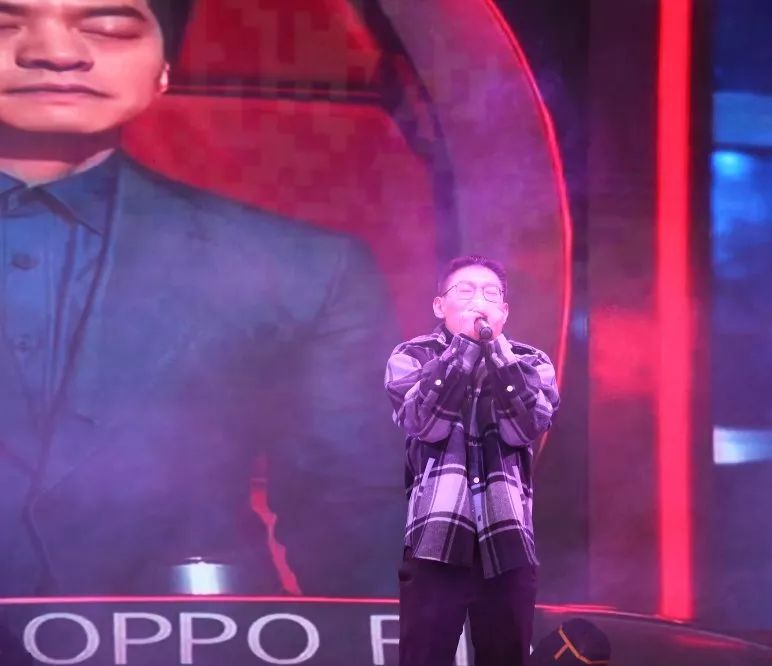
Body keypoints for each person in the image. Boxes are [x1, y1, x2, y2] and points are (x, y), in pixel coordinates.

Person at [0, 0, 399, 596]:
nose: (55, 53)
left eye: (108, 28)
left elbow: (355, 517)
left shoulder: (301, 268)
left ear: (165, 67)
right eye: (5, 25)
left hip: (199, 635)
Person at [384, 255, 560, 666]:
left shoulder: (530, 362)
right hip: (436, 538)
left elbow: (524, 428)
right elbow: (425, 424)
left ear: (504, 311)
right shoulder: (411, 356)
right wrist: (464, 347)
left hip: (507, 539)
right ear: (439, 305)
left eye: (490, 293)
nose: (479, 299)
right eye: (465, 290)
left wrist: (496, 353)